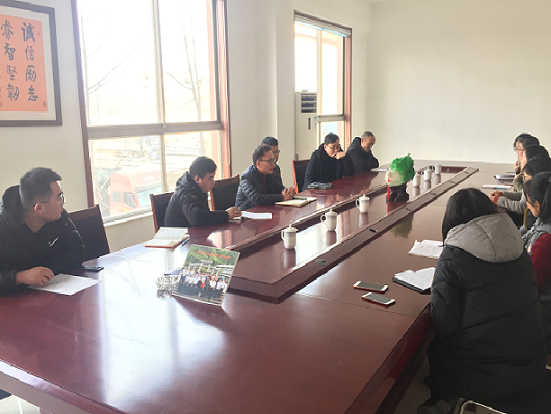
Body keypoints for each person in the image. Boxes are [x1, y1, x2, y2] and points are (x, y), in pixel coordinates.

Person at [420, 188, 547, 414]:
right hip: (532, 367)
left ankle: (446, 403)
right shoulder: (518, 245)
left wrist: (438, 287)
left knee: (437, 348)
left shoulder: (453, 257)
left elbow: (443, 324)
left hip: (485, 378)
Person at [0, 167, 85, 296]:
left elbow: (77, 250)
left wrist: (45, 270)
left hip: (48, 294)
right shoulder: (3, 227)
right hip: (12, 301)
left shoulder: (59, 217)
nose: (62, 203)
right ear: (39, 208)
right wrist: (20, 277)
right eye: (58, 198)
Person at [165, 157, 241, 227]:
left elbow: (205, 216)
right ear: (197, 179)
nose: (213, 182)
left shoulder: (198, 189)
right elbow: (196, 218)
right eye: (210, 178)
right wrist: (226, 215)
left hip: (194, 233)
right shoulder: (186, 193)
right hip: (179, 236)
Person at [523, 172, 551, 354]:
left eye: (528, 202)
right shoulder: (543, 222)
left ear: (538, 205)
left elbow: (528, 287)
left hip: (543, 313)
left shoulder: (545, 241)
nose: (526, 205)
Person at [235, 144, 294, 210]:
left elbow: (278, 188)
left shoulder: (268, 173)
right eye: (270, 161)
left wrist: (287, 191)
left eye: (273, 160)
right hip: (246, 212)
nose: (273, 165)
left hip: (264, 210)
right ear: (258, 163)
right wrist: (282, 197)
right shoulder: (247, 177)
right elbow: (257, 198)